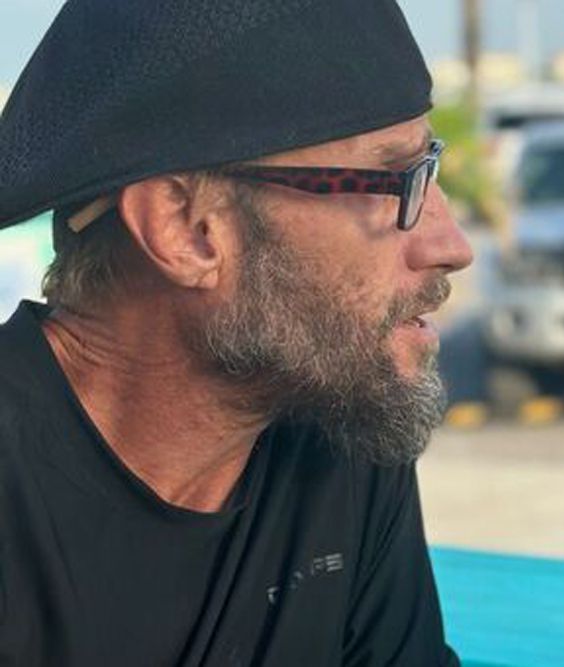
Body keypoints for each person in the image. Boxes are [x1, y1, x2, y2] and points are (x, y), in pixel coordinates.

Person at [0, 1, 473, 664]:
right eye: (395, 182)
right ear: (186, 229)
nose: (451, 245)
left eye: (431, 167)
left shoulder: (339, 425)